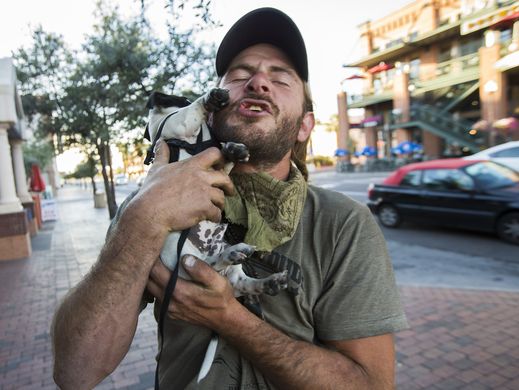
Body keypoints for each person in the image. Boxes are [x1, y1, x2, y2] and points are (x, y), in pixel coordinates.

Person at [52, 7, 407, 389]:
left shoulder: (343, 225)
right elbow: (76, 372)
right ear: (215, 105)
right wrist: (144, 217)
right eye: (240, 74)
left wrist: (228, 318)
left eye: (281, 77)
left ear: (305, 126)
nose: (258, 83)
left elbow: (371, 384)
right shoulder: (152, 203)